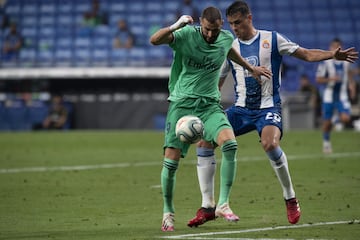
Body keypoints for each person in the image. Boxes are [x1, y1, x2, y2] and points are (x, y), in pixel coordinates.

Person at [187, 0, 358, 228]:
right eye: (231, 24)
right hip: (240, 109)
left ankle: (290, 197)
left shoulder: (272, 39)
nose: (235, 28)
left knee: (269, 144)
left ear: (249, 17)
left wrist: (331, 55)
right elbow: (217, 81)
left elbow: (305, 54)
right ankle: (207, 207)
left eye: (238, 22)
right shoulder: (230, 46)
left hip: (268, 108)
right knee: (204, 143)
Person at [149, 6, 272, 232]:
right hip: (182, 104)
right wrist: (176, 26)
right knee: (171, 161)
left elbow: (229, 51)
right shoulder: (186, 34)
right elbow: (154, 40)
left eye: (214, 30)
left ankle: (222, 204)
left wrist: (249, 67)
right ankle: (168, 212)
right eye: (206, 29)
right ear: (200, 23)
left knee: (230, 143)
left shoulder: (225, 39)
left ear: (221, 26)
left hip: (209, 105)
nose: (210, 35)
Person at [316, 38, 357, 154]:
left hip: (342, 95)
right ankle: (326, 143)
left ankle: (335, 119)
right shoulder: (325, 63)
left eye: (338, 47)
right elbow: (318, 79)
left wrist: (352, 86)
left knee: (346, 118)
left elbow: (349, 75)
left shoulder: (345, 62)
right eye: (334, 47)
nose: (336, 49)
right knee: (327, 123)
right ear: (330, 48)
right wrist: (331, 79)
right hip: (329, 96)